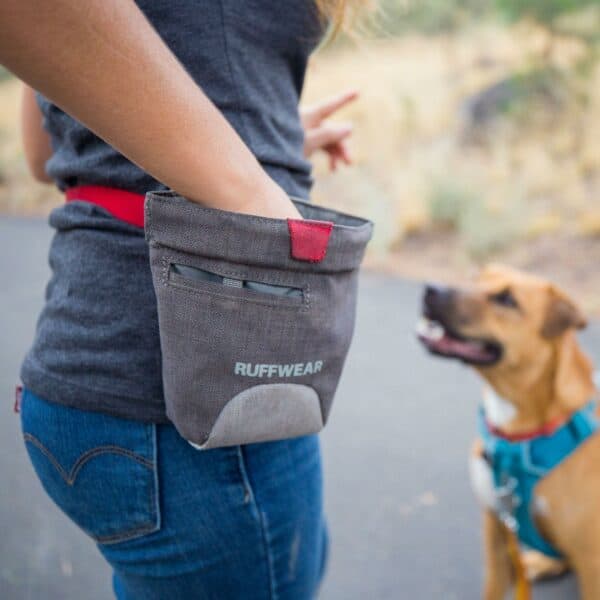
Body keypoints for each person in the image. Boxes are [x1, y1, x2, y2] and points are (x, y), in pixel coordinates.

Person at [1, 0, 362, 598]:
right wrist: (252, 195)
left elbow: (45, 156)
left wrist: (265, 135)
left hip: (99, 373)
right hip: (195, 401)